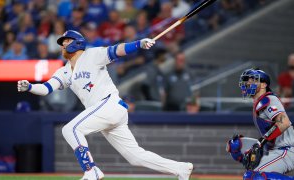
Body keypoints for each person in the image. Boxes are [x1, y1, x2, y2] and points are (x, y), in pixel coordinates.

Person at [17, 30, 193, 180]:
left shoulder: (92, 55)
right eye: (62, 42)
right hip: (105, 112)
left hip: (109, 104)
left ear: (77, 43)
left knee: (70, 129)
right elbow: (47, 88)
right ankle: (181, 168)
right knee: (135, 156)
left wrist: (139, 43)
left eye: (66, 41)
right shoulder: (64, 71)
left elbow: (118, 50)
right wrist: (30, 86)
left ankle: (91, 170)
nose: (63, 45)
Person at [226, 68, 294, 180]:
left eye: (253, 80)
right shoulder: (258, 102)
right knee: (234, 144)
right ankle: (256, 169)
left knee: (254, 177)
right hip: (271, 148)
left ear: (264, 84)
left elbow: (283, 122)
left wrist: (262, 141)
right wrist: (261, 144)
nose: (248, 83)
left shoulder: (269, 99)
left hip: (285, 150)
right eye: (247, 80)